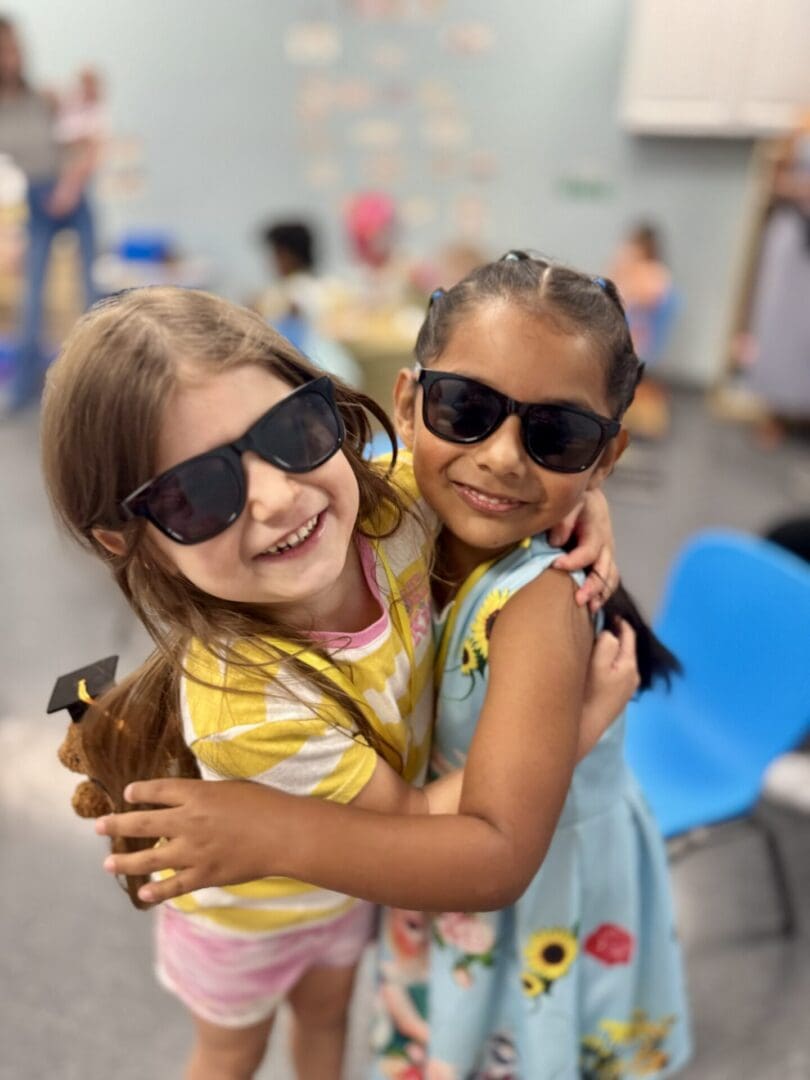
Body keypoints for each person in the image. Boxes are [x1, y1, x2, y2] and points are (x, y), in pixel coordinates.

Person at [97, 254, 691, 1078]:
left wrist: (269, 831)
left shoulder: (541, 601)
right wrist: (579, 486)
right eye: (466, 409)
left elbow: (496, 858)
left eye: (557, 435)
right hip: (410, 880)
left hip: (527, 907)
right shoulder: (390, 504)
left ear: (605, 451)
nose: (504, 458)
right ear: (410, 406)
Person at [0, 16, 98, 410]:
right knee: (32, 298)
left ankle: (98, 387)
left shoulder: (46, 99)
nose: (11, 58)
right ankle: (24, 390)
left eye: (14, 49)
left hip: (72, 196)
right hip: (37, 201)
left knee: (91, 294)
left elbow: (86, 144)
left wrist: (70, 187)